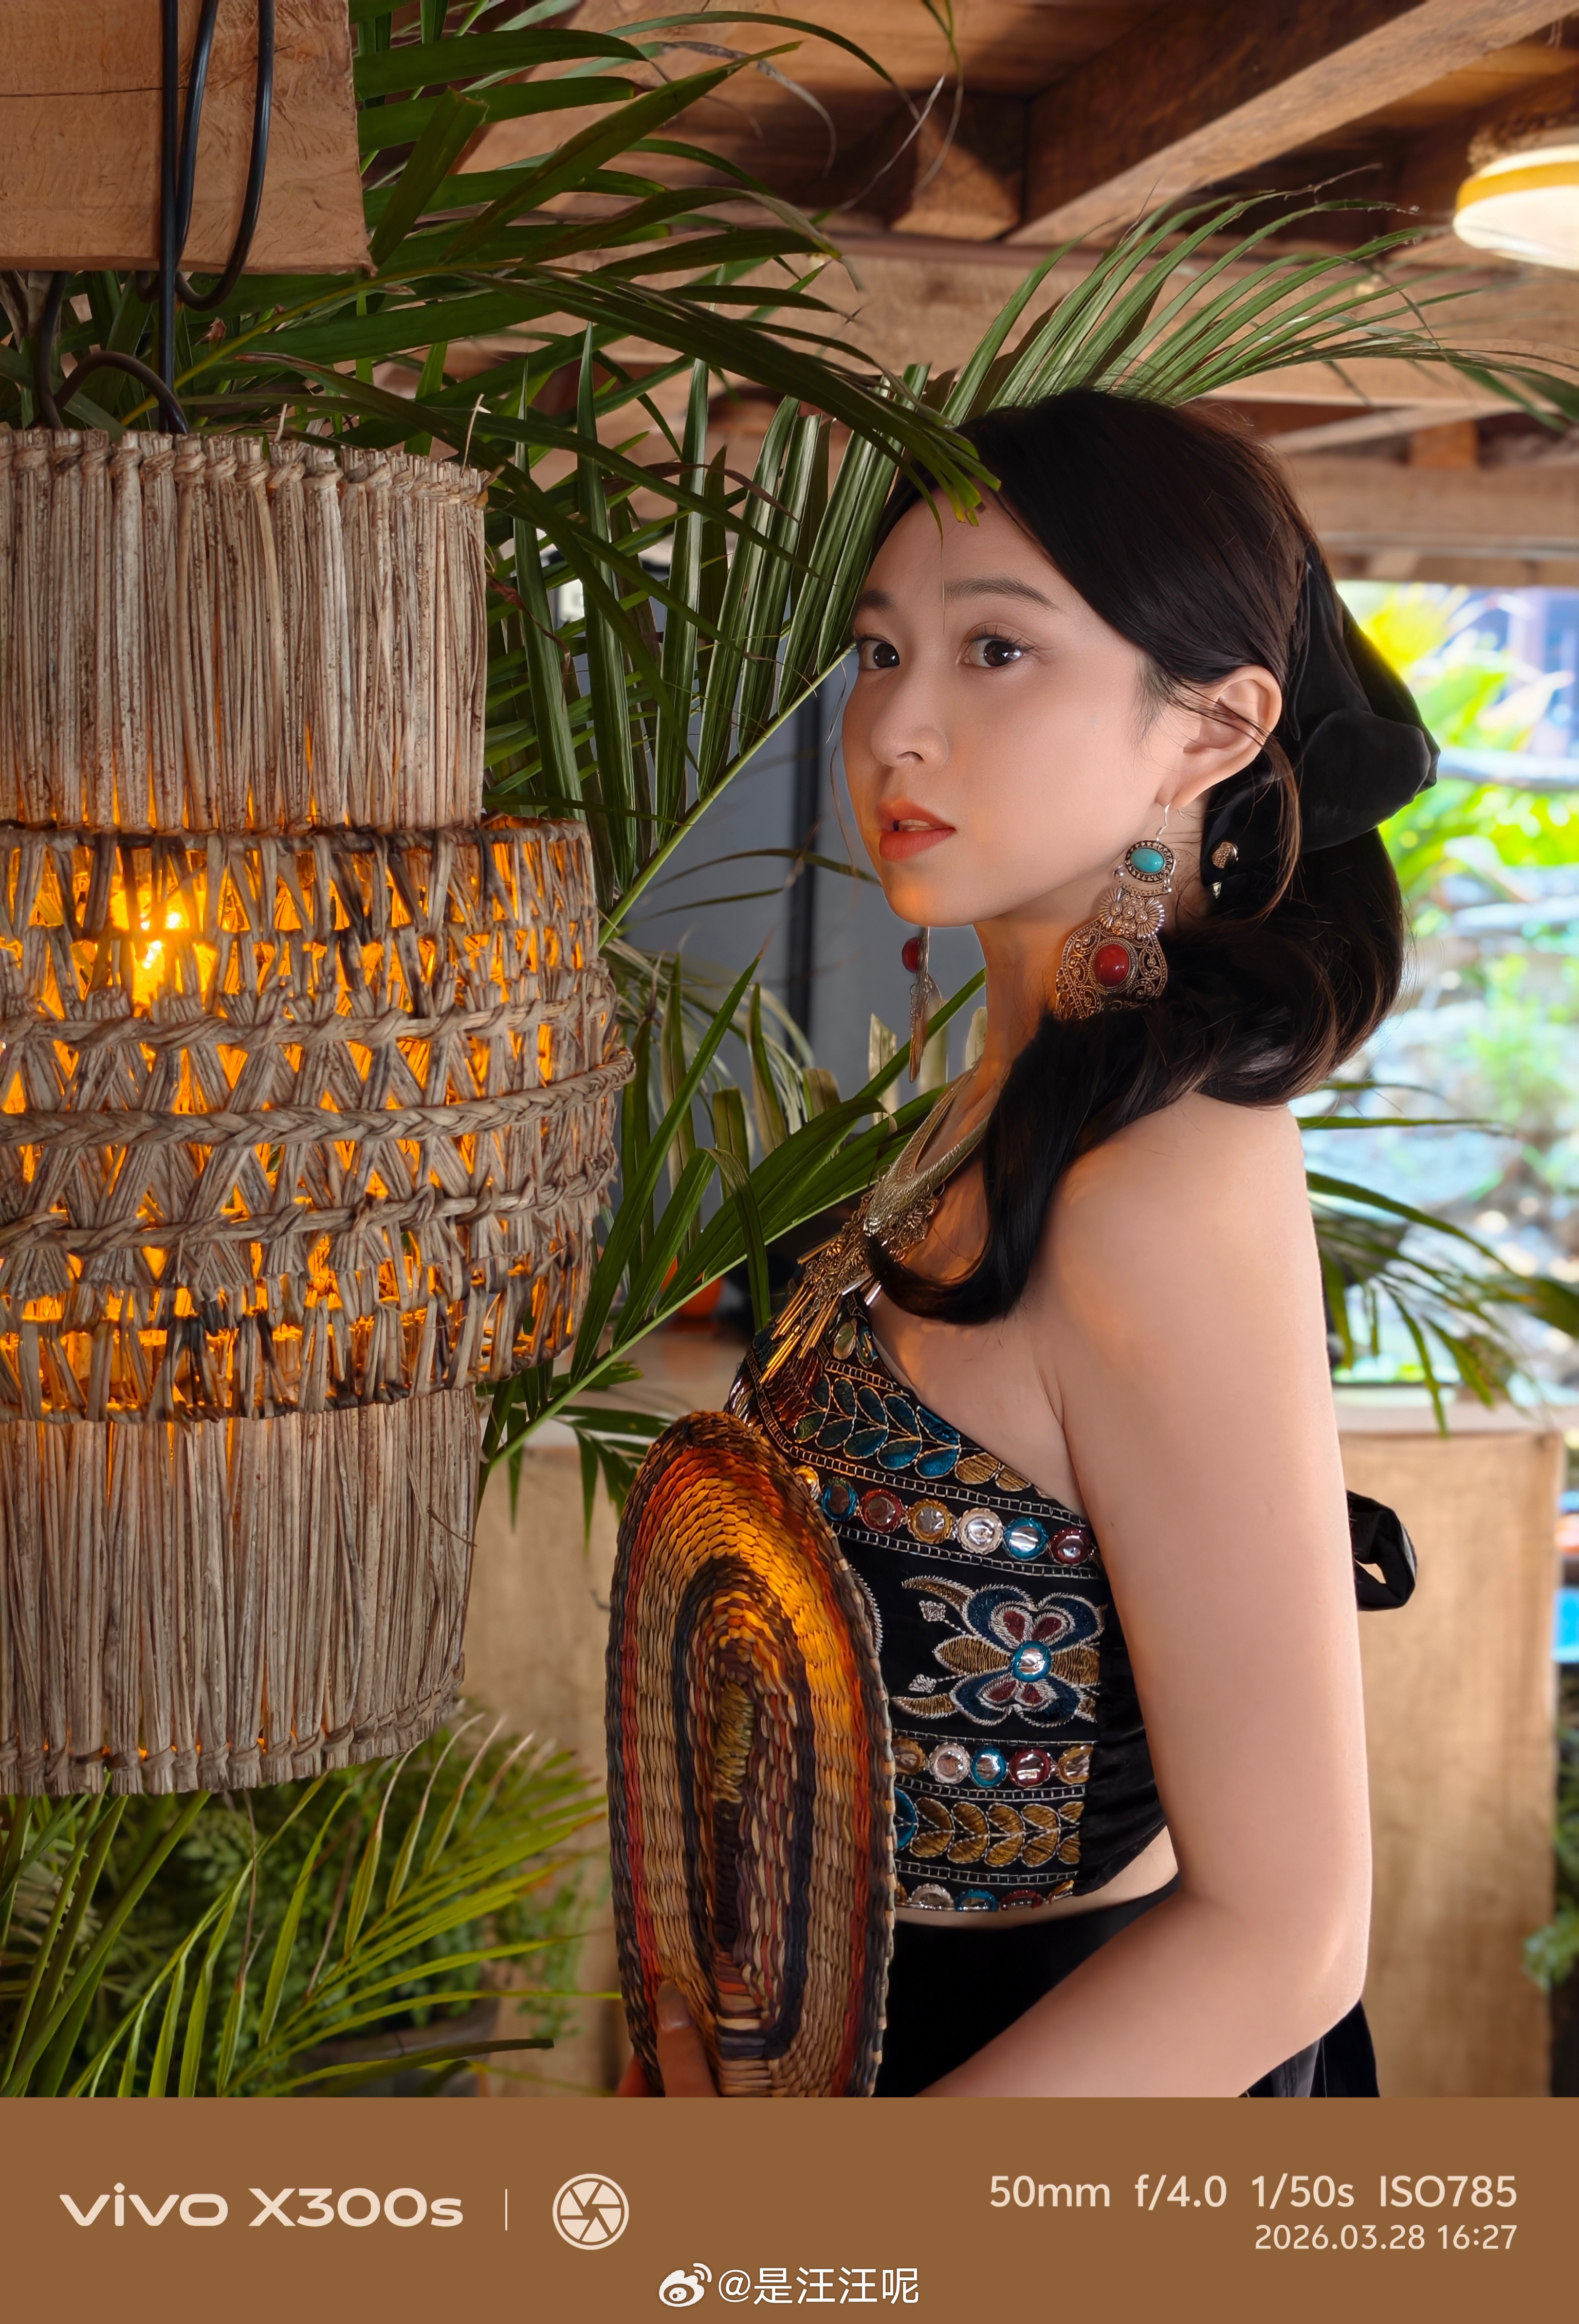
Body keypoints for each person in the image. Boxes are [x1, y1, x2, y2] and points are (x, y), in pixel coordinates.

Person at [618, 388, 1432, 2099]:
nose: (895, 728)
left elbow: (1288, 1935)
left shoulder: (1162, 1177)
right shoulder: (988, 1108)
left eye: (996, 651)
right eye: (879, 651)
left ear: (1212, 728)